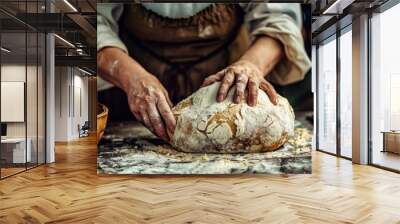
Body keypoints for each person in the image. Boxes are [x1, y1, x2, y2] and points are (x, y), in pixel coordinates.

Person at [97, 3, 311, 141]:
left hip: (229, 88)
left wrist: (252, 65)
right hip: (130, 97)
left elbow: (281, 19)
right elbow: (91, 25)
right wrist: (132, 77)